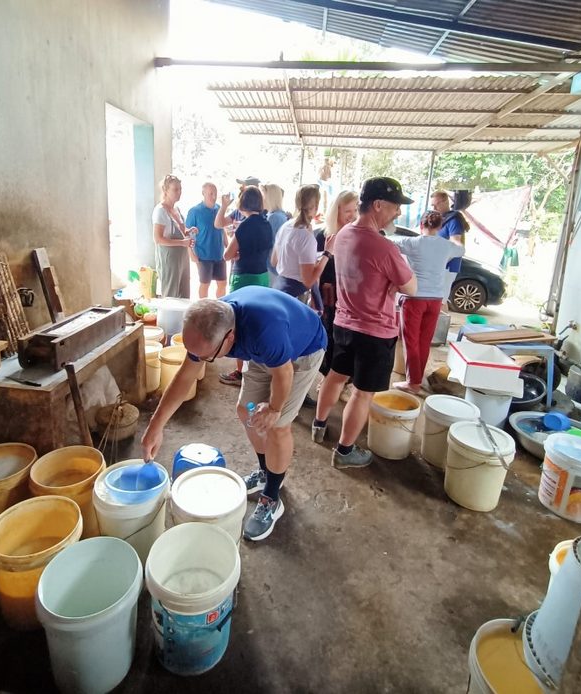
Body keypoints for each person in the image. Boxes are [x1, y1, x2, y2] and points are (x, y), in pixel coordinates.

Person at [140, 286, 327, 541]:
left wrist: (274, 408)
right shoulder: (210, 320)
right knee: (246, 411)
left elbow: (284, 373)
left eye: (208, 357)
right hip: (265, 351)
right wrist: (155, 426)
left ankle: (272, 497)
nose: (201, 360)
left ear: (229, 337)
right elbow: (185, 376)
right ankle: (265, 471)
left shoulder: (264, 332)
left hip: (301, 351)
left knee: (277, 426)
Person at [312, 177, 417, 468]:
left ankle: (318, 426)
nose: (398, 213)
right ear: (378, 205)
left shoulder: (342, 234)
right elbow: (411, 287)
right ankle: (344, 452)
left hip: (343, 323)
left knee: (334, 375)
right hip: (375, 331)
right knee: (362, 393)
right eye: (395, 207)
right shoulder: (385, 248)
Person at [390, 210, 464, 394]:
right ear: (440, 227)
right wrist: (455, 235)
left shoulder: (413, 242)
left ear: (421, 225)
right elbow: (460, 248)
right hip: (435, 300)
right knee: (424, 341)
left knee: (411, 341)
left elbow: (389, 241)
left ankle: (413, 383)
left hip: (414, 298)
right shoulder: (447, 246)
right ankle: (417, 377)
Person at [218, 186, 273, 387]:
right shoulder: (266, 224)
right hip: (262, 277)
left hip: (243, 278)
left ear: (243, 203)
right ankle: (257, 369)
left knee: (239, 323)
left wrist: (234, 245)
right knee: (257, 322)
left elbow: (227, 255)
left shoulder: (244, 226)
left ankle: (240, 372)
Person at [315, 190, 358, 375]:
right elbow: (315, 270)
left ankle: (342, 376)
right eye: (348, 211)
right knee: (329, 335)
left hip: (351, 296)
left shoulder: (357, 235)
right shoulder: (321, 236)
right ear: (336, 210)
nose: (353, 215)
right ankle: (327, 374)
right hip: (327, 297)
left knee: (348, 338)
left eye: (355, 210)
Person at [272, 184, 331, 309]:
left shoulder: (285, 226)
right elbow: (308, 281)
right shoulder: (305, 236)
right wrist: (327, 254)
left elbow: (274, 261)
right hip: (296, 296)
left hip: (279, 288)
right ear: (315, 207)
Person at [152, 174, 194, 299]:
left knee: (184, 294)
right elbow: (158, 239)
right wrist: (182, 243)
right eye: (175, 189)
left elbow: (181, 232)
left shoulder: (177, 209)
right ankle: (168, 319)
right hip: (169, 258)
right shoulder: (160, 211)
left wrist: (188, 231)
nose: (179, 192)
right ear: (165, 191)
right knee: (171, 295)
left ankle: (182, 319)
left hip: (182, 256)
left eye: (180, 189)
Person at [186, 182, 227, 299]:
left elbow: (222, 227)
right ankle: (203, 309)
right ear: (203, 194)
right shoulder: (194, 211)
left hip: (219, 254)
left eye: (215, 194)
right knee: (205, 284)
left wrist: (227, 244)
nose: (213, 197)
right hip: (203, 254)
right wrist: (191, 254)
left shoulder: (219, 208)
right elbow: (188, 234)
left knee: (222, 283)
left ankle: (220, 307)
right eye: (210, 194)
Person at [430, 189, 469, 306]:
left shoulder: (454, 220)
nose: (434, 208)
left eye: (436, 205)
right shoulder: (440, 219)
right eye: (432, 205)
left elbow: (456, 245)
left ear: (445, 202)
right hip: (438, 264)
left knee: (440, 299)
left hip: (448, 266)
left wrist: (441, 259)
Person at [261, 183, 288, 285]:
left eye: (263, 195)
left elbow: (265, 242)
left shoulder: (274, 218)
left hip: (271, 267)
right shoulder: (279, 215)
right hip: (275, 266)